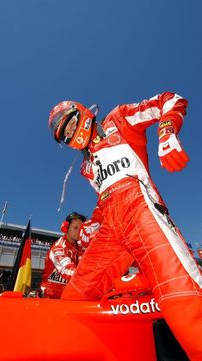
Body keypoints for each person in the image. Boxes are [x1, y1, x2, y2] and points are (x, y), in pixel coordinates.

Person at [48, 92, 202, 361]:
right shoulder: (87, 167)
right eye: (66, 135)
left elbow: (171, 100)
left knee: (185, 301)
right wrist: (92, 224)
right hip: (111, 231)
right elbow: (103, 200)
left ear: (83, 112)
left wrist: (167, 132)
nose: (73, 134)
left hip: (142, 213)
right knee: (74, 299)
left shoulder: (118, 120)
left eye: (72, 124)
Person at [39, 212, 87, 298]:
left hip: (67, 296)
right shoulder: (58, 248)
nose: (79, 231)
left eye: (81, 228)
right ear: (66, 228)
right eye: (75, 228)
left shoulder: (81, 246)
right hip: (50, 298)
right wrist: (90, 278)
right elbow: (67, 270)